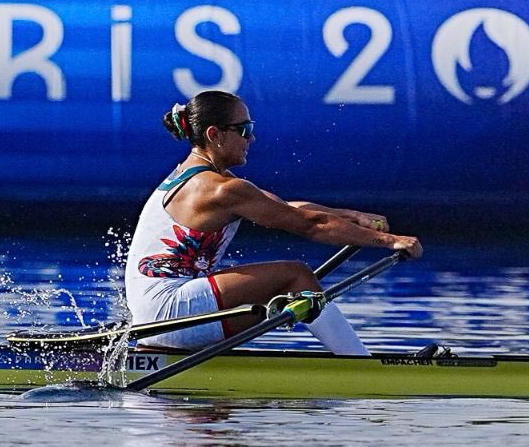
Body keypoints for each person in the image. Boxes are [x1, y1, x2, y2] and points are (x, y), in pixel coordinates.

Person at [124, 89, 422, 356]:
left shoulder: (198, 177)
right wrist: (388, 241)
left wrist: (353, 217)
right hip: (169, 311)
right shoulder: (220, 189)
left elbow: (284, 208)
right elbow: (311, 225)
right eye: (244, 129)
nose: (251, 138)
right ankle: (361, 366)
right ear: (215, 135)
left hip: (156, 315)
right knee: (295, 277)